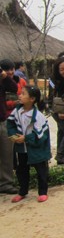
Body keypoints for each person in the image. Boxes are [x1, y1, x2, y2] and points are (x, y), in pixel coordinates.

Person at [7, 86, 51, 203]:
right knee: (21, 170)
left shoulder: (38, 116)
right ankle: (22, 191)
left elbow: (41, 135)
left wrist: (26, 138)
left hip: (36, 149)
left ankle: (42, 192)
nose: (19, 96)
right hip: (22, 148)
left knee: (41, 171)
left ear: (32, 99)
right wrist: (14, 136)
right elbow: (10, 123)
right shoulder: (17, 111)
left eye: (23, 94)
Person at [0, 61, 18, 195]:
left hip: (2, 120)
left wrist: (4, 76)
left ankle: (6, 183)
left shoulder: (2, 77)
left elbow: (13, 88)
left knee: (7, 153)